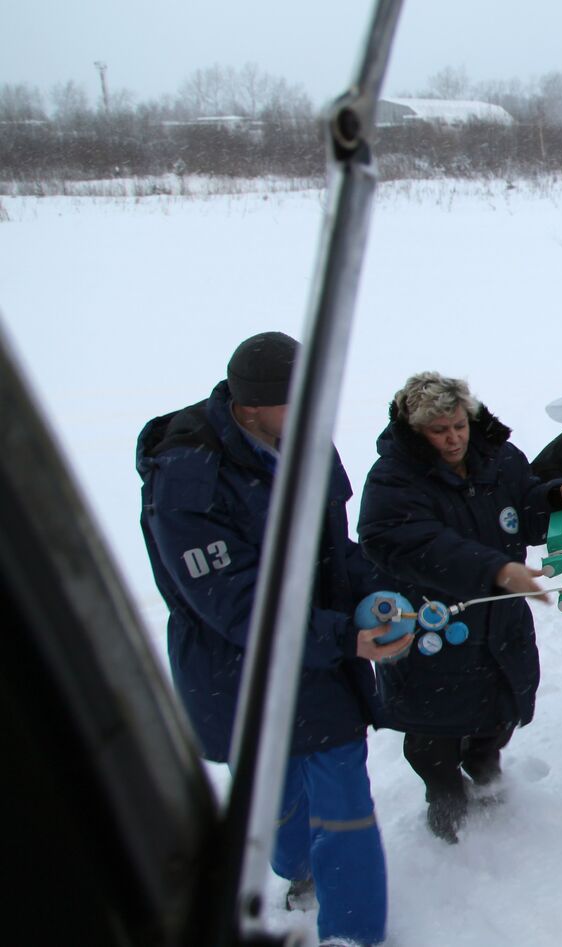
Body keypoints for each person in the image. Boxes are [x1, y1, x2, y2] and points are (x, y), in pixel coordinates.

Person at [137, 331, 406, 947]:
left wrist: (377, 591)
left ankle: (353, 935)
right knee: (276, 784)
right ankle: (301, 870)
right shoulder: (186, 479)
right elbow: (235, 606)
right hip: (239, 667)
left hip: (319, 654)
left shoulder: (304, 440)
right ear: (248, 407)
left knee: (342, 792)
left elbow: (334, 550)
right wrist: (346, 637)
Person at [357, 372, 562, 844]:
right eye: (439, 430)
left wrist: (556, 495)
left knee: (498, 712)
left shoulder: (498, 458)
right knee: (432, 739)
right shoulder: (392, 480)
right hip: (435, 630)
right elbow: (417, 543)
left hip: (499, 621)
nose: (453, 439)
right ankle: (446, 810)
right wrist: (494, 569)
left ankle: (486, 770)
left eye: (459, 426)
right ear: (415, 431)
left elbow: (525, 505)